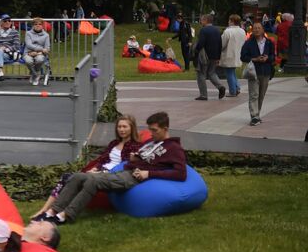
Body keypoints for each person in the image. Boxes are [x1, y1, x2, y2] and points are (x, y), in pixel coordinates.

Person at [40, 111, 186, 223]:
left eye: (155, 130)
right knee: (77, 176)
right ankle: (52, 211)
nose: (151, 133)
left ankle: (65, 215)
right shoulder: (151, 143)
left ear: (165, 128)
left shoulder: (173, 148)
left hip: (132, 177)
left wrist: (149, 173)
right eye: (150, 130)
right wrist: (136, 158)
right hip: (123, 171)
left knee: (92, 180)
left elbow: (180, 173)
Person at [30, 114, 142, 221]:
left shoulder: (135, 146)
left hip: (112, 174)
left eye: (125, 127)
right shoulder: (114, 143)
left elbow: (126, 166)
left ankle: (54, 212)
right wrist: (96, 168)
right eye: (119, 127)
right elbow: (103, 159)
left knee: (74, 177)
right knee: (68, 177)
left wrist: (102, 172)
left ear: (132, 128)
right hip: (101, 170)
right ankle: (49, 211)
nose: (121, 129)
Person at [241, 20, 276, 126]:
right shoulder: (248, 43)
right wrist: (255, 59)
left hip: (265, 71)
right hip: (253, 71)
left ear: (262, 30)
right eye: (254, 28)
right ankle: (254, 116)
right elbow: (243, 57)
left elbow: (273, 57)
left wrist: (267, 58)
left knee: (261, 95)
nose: (256, 30)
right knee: (254, 94)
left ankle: (257, 114)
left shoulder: (269, 42)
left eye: (258, 28)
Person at [192, 13, 225, 101]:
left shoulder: (204, 30)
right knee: (212, 73)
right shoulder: (217, 30)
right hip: (215, 56)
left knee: (201, 74)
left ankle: (203, 95)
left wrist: (196, 50)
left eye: (202, 20)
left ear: (206, 20)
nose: (200, 22)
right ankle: (220, 86)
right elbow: (220, 44)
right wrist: (218, 56)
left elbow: (201, 43)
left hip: (204, 56)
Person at [0, 15, 21, 86]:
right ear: (1, 23)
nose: (7, 22)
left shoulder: (15, 32)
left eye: (9, 21)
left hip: (8, 54)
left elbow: (17, 46)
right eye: (5, 21)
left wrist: (5, 49)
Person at [220, 14, 247, 97]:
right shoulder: (242, 31)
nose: (228, 22)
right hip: (238, 54)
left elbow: (222, 44)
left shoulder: (228, 31)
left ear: (232, 21)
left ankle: (232, 91)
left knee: (229, 73)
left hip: (228, 54)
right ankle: (237, 87)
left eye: (229, 20)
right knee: (232, 72)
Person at [22, 17, 51, 83]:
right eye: (36, 24)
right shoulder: (28, 33)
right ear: (33, 25)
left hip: (40, 54)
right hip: (28, 52)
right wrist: (41, 49)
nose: (38, 25)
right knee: (28, 61)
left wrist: (38, 53)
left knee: (39, 59)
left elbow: (47, 48)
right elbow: (29, 45)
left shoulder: (46, 35)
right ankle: (36, 74)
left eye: (40, 24)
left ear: (42, 26)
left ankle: (34, 73)